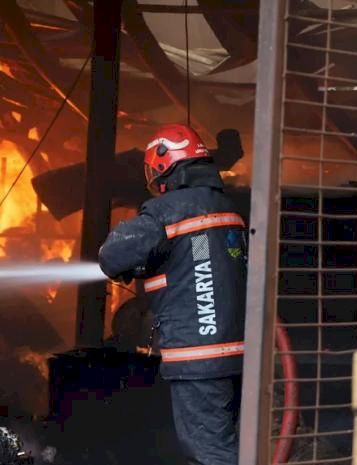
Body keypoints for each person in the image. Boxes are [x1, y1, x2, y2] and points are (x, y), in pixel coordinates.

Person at [98, 123, 248, 465]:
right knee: (231, 443)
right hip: (236, 353)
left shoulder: (166, 211)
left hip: (197, 358)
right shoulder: (225, 207)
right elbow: (195, 261)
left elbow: (112, 256)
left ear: (166, 164)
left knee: (210, 452)